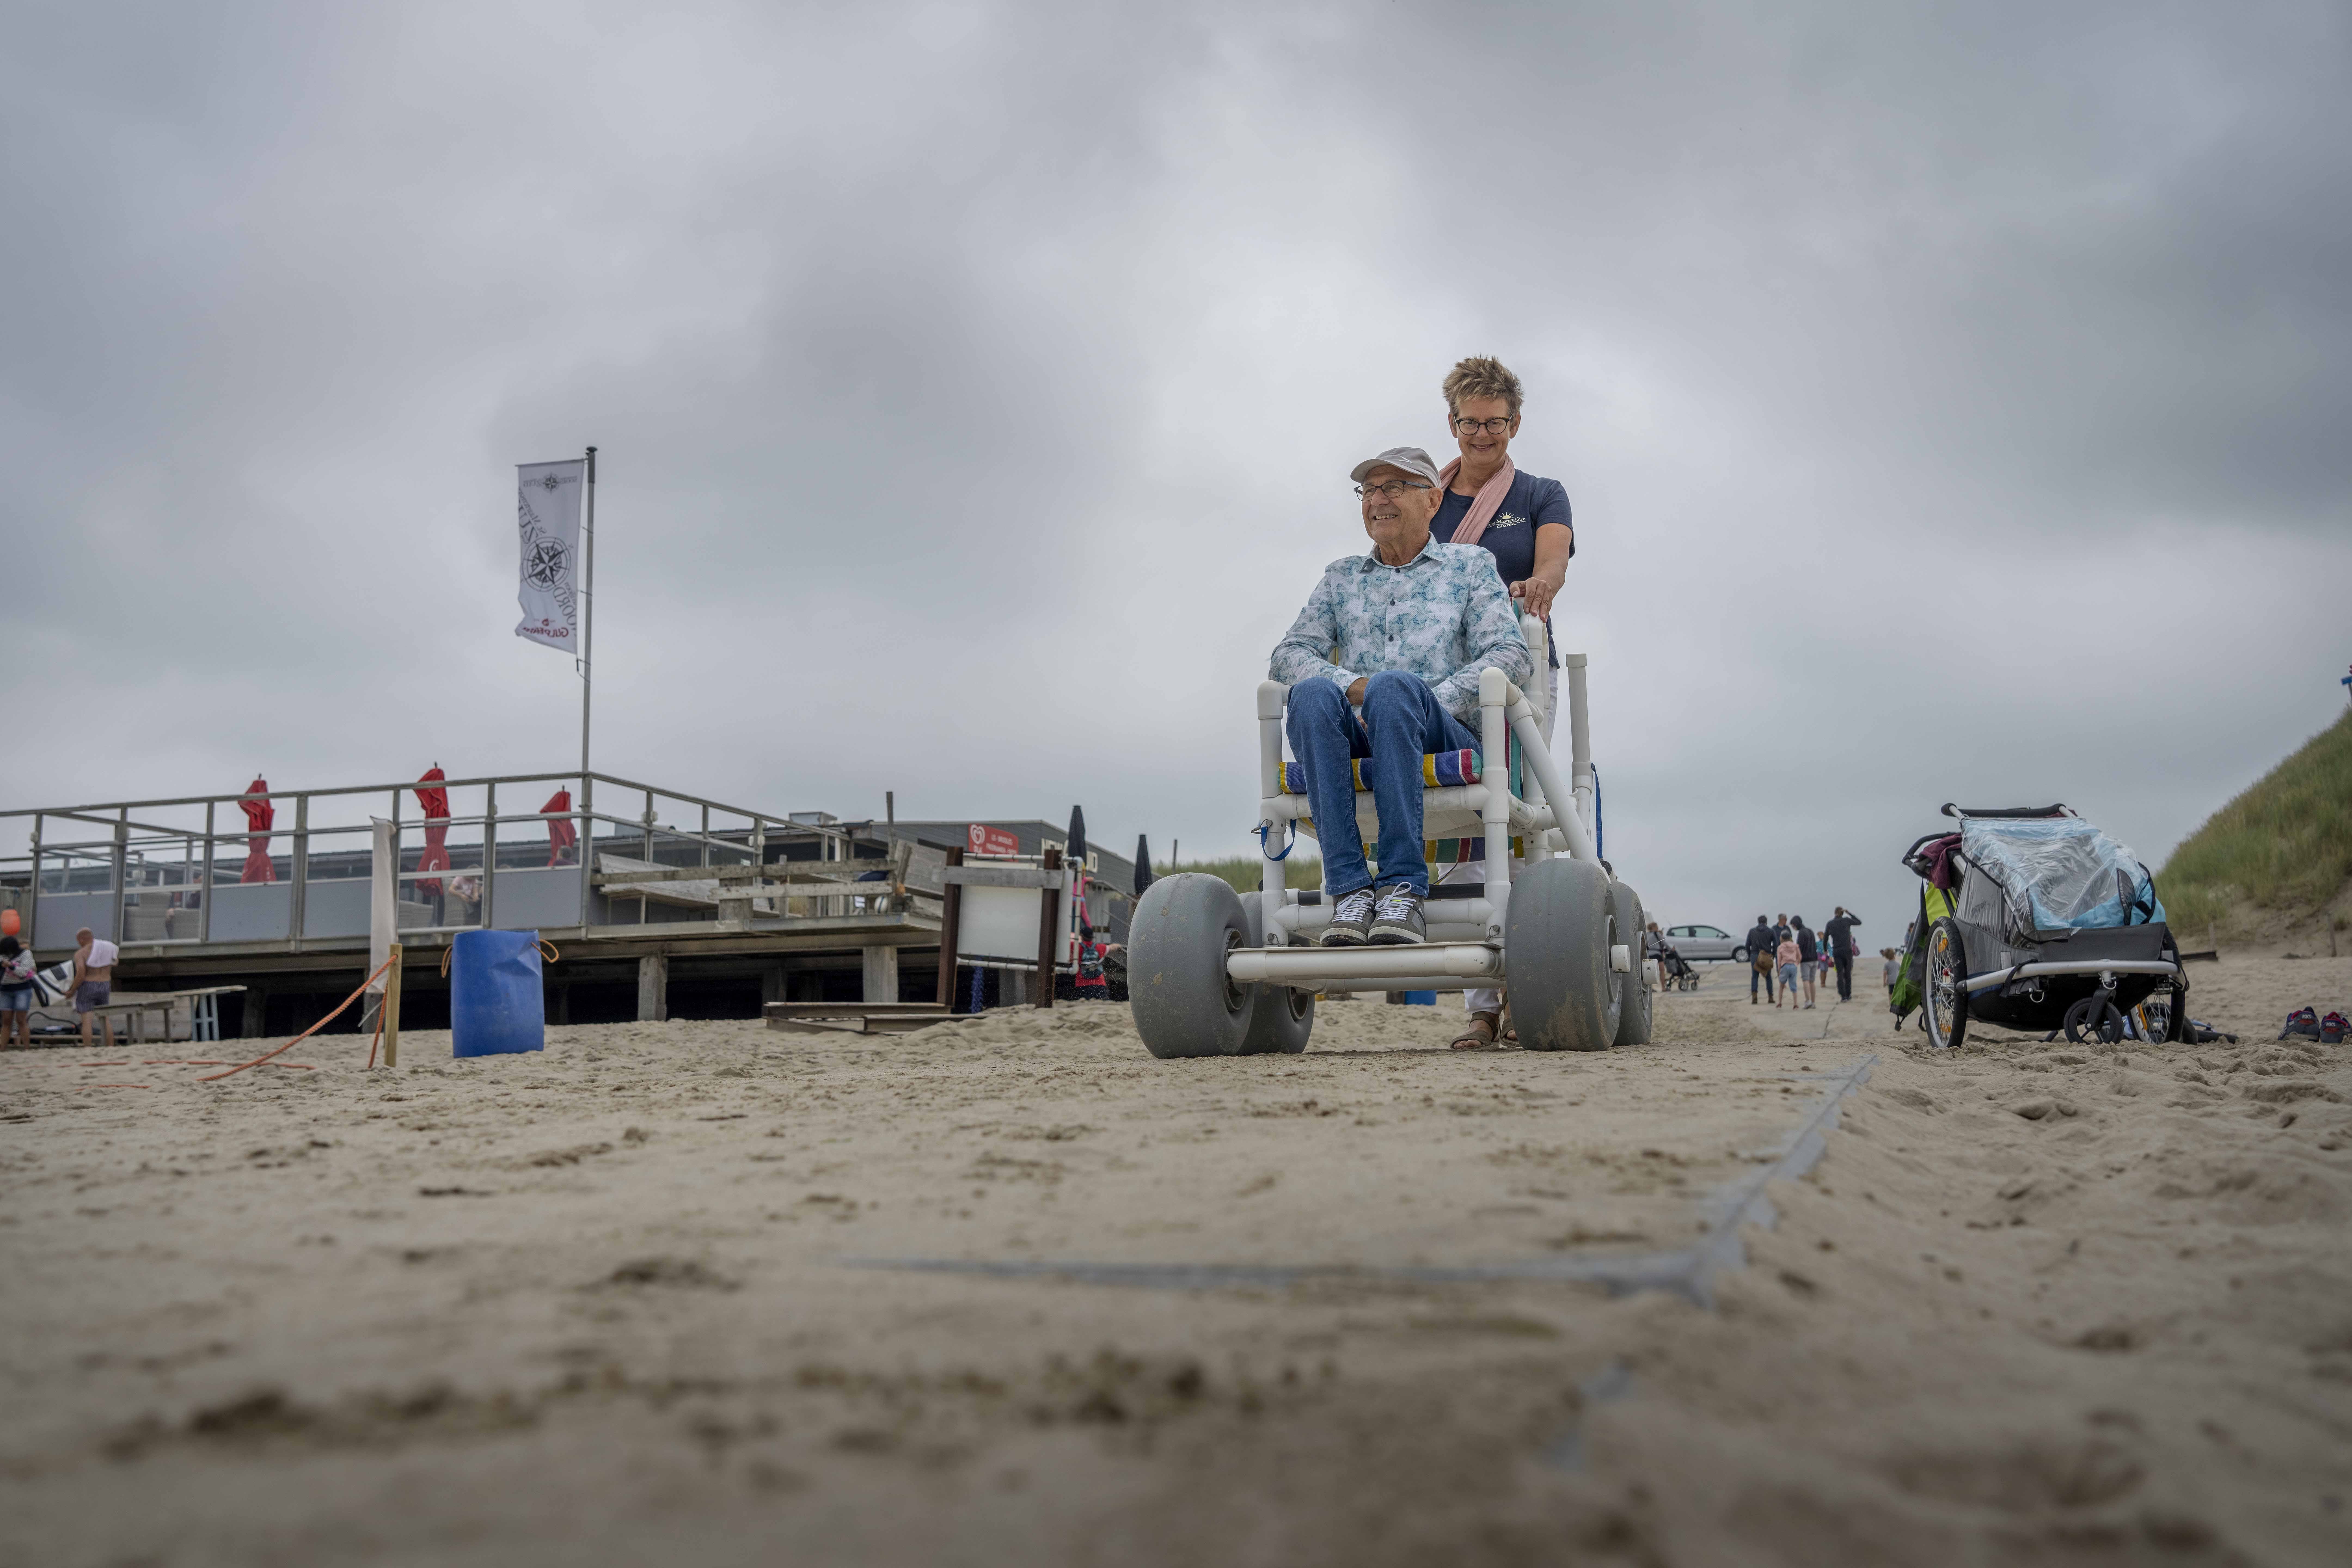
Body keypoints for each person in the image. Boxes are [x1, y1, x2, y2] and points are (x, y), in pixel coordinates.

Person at [1270, 444, 1531, 1050]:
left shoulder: (1470, 567)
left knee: (1395, 693)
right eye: (1369, 491)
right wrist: (1351, 686)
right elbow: (1289, 653)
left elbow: (1510, 653)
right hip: (1362, 734)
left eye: (1395, 487)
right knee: (1310, 694)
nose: (1379, 499)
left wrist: (1427, 697)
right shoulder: (1341, 578)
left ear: (1432, 499)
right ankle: (1351, 891)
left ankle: (1404, 889)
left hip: (1439, 726)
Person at [1425, 358, 1575, 1036]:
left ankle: (1528, 989)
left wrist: (1539, 585)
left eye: (1494, 422)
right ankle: (1482, 1008)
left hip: (1519, 664)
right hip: (1440, 672)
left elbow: (1551, 562)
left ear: (1515, 424)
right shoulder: (1426, 498)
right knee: (1463, 822)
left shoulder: (1542, 492)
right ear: (1451, 424)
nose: (1481, 434)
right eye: (1469, 422)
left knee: (1524, 815)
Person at [71, 926, 118, 1048]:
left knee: (87, 1020)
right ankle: (111, 1047)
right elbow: (116, 962)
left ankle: (88, 1048)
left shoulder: (81, 953)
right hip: (105, 984)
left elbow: (81, 973)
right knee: (105, 1018)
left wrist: (72, 990)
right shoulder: (109, 947)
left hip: (88, 985)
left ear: (81, 939)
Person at [0, 936, 36, 1048]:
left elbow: (24, 972)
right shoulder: (2, 955)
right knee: (6, 1021)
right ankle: (3, 1047)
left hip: (23, 989)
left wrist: (11, 966)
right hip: (5, 990)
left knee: (21, 1020)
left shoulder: (26, 954)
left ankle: (27, 1047)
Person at [1825, 906, 1863, 1001]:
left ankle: (1843, 995)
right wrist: (1849, 913)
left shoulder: (1830, 924)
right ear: (1843, 914)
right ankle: (1849, 994)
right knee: (1848, 973)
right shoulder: (1846, 921)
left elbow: (1825, 938)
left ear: (1835, 913)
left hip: (1837, 951)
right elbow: (1859, 922)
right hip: (1847, 950)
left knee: (1840, 974)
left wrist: (1826, 950)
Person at [1744, 916, 1777, 1004]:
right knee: (1768, 977)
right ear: (1766, 922)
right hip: (1766, 955)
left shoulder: (1752, 931)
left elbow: (1747, 945)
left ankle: (1755, 996)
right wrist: (1773, 955)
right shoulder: (1771, 931)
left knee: (1755, 977)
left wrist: (1750, 955)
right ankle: (1770, 997)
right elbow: (1776, 945)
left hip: (1755, 955)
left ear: (1758, 922)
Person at [1791, 916, 1818, 1009]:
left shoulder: (1801, 933)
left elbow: (1799, 948)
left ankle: (1808, 1001)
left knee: (1806, 980)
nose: (1793, 928)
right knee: (1812, 981)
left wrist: (1796, 959)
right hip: (1815, 959)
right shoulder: (1810, 931)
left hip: (1806, 961)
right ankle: (1814, 1002)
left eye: (1793, 926)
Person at [1775, 930, 1802, 1010]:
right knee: (1794, 986)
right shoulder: (1795, 946)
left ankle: (1780, 1003)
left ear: (1782, 938)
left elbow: (1779, 960)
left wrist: (1779, 971)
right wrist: (1796, 964)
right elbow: (1800, 957)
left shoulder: (1780, 947)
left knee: (1782, 985)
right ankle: (1796, 1004)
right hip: (1793, 966)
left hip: (1785, 966)